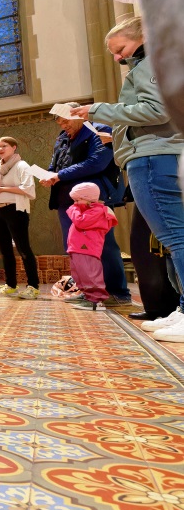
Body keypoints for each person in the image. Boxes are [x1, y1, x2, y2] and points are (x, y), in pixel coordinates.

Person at [71, 17, 184, 342]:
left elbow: (156, 110)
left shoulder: (149, 63)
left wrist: (98, 111)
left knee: (175, 237)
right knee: (172, 239)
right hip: (159, 153)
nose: (119, 58)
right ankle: (180, 307)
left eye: (120, 49)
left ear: (143, 35)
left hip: (153, 157)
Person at [40, 105, 129, 305]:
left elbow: (97, 162)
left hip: (93, 200)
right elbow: (55, 163)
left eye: (65, 121)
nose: (63, 126)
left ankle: (117, 292)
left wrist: (59, 175)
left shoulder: (100, 130)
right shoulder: (62, 138)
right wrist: (48, 175)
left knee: (103, 246)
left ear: (78, 115)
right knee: (75, 249)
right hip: (67, 200)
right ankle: (86, 290)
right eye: (59, 122)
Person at [0, 137, 40, 300]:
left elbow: (28, 189)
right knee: (5, 250)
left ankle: (33, 286)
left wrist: (2, 188)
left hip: (15, 209)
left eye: (4, 146)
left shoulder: (22, 165)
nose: (0, 149)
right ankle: (10, 285)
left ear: (14, 147)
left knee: (23, 249)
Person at [63, 182, 117, 311]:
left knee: (89, 273)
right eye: (74, 201)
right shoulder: (86, 209)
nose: (75, 203)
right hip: (77, 247)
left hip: (87, 248)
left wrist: (73, 209)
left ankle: (96, 300)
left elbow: (81, 222)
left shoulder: (97, 211)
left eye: (78, 200)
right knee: (79, 274)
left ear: (89, 198)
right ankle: (86, 295)